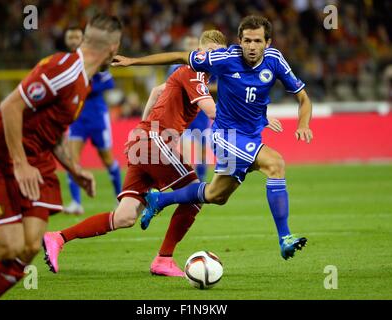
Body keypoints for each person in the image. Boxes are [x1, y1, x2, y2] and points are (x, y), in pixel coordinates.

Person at [112, 15, 313, 260]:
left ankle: (160, 199)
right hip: (225, 135)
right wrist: (133, 61)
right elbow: (178, 56)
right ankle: (285, 238)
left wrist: (303, 123)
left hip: (250, 136)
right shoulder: (225, 58)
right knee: (276, 163)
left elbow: (303, 98)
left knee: (216, 195)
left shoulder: (275, 60)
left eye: (257, 41)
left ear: (268, 43)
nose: (251, 46)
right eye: (247, 40)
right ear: (239, 41)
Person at [0, 14, 122, 299]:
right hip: (3, 154)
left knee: (30, 246)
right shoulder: (64, 70)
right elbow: (10, 106)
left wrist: (73, 168)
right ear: (114, 48)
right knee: (8, 248)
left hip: (38, 157)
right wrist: (20, 164)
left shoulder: (84, 82)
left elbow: (53, 133)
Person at [42, 30, 227, 277]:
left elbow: (156, 92)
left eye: (219, 54)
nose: (214, 58)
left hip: (146, 139)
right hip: (156, 140)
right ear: (200, 53)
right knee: (196, 194)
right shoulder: (193, 73)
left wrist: (143, 128)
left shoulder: (190, 75)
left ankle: (58, 237)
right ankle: (163, 258)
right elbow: (212, 112)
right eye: (210, 52)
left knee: (125, 216)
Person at [63, 26, 122, 215]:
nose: (73, 40)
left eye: (76, 36)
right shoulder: (66, 62)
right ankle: (76, 203)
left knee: (108, 160)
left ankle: (120, 198)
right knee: (71, 160)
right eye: (70, 36)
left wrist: (85, 85)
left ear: (83, 39)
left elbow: (109, 82)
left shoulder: (94, 59)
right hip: (77, 117)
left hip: (97, 116)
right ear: (66, 40)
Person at [168, 35, 211, 182]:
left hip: (201, 114)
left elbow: (219, 86)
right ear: (184, 47)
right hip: (184, 115)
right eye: (188, 44)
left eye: (194, 43)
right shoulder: (176, 67)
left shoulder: (207, 65)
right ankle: (190, 183)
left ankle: (202, 180)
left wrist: (200, 88)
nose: (191, 46)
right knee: (186, 154)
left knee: (202, 151)